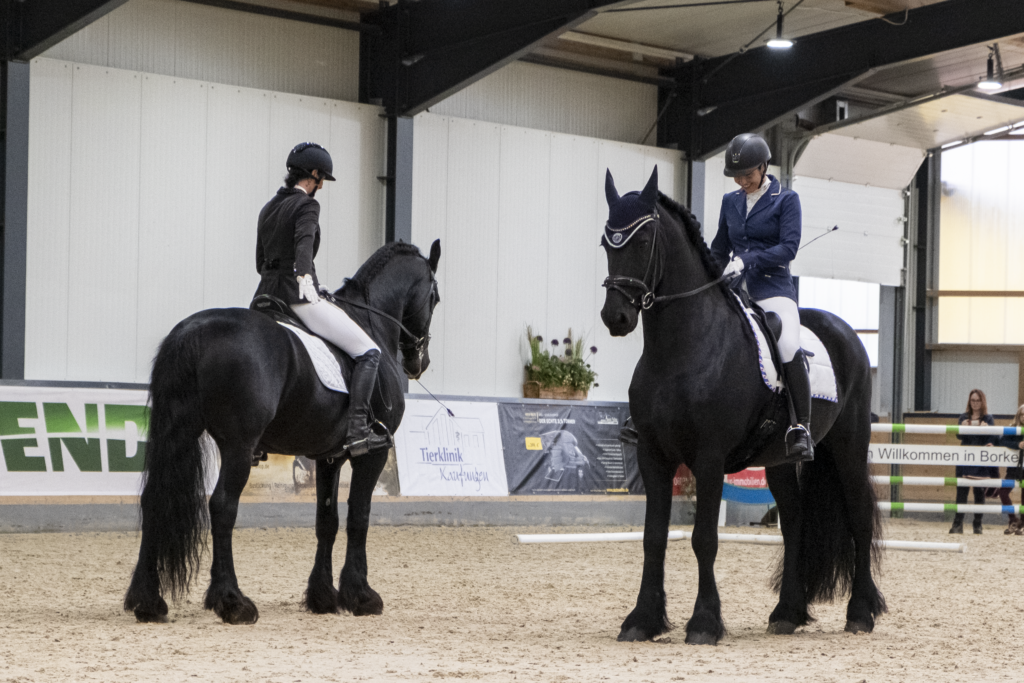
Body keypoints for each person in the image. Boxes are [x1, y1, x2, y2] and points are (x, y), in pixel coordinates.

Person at [253, 142, 390, 457]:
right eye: (322, 178)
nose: (322, 185)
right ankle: (357, 431)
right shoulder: (307, 206)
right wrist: (305, 280)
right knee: (368, 351)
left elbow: (260, 262)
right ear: (313, 175)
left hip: (263, 296)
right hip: (296, 297)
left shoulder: (269, 207)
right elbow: (303, 245)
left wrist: (309, 279)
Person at [710, 133, 812, 464]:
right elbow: (718, 246)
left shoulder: (787, 199)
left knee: (786, 344)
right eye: (737, 177)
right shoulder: (730, 202)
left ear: (764, 167)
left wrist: (748, 260)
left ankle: (801, 427)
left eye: (748, 175)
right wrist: (709, 271)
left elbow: (789, 248)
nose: (742, 181)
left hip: (773, 289)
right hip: (735, 288)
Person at [950, 389, 999, 534]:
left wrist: (988, 432)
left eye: (978, 400)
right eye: (973, 400)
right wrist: (962, 428)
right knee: (961, 492)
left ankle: (977, 524)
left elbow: (994, 438)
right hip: (965, 457)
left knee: (979, 492)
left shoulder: (988, 418)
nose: (975, 403)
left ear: (982, 401)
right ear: (969, 401)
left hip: (980, 459)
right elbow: (958, 436)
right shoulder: (963, 417)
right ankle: (957, 524)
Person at [995, 403, 1024, 535]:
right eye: (1022, 414)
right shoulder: (1012, 428)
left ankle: (1022, 524)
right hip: (1013, 468)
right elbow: (1002, 442)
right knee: (1003, 492)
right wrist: (1018, 444)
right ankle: (1013, 519)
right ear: (1018, 416)